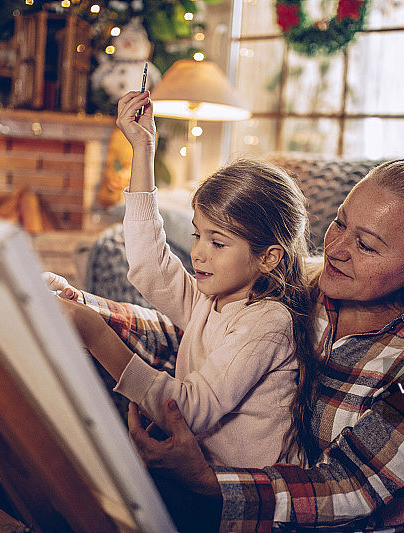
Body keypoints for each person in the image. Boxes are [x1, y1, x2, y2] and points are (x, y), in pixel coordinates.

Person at [50, 123, 404, 531]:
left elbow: (351, 489)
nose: (337, 249)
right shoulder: (303, 284)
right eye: (339, 223)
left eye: (365, 245)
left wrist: (208, 482)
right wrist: (79, 308)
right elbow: (200, 331)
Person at [55, 89, 318, 469]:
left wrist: (95, 333)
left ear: (268, 257)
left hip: (246, 501)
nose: (198, 252)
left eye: (218, 242)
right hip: (205, 470)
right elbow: (148, 265)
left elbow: (189, 410)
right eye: (198, 235)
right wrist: (143, 148)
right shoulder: (211, 298)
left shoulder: (266, 323)